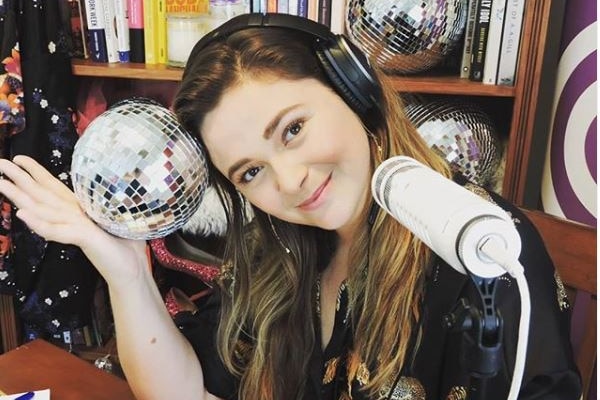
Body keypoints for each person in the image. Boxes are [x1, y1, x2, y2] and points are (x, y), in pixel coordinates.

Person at [0, 13, 581, 400]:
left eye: (293, 129)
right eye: (251, 171)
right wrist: (122, 269)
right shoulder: (281, 244)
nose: (292, 182)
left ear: (357, 91)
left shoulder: (482, 255)